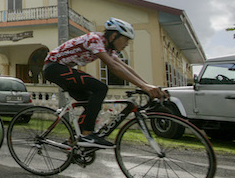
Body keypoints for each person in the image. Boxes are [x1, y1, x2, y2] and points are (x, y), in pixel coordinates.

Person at [43, 17, 165, 149]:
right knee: (100, 88)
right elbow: (113, 66)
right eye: (126, 39)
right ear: (114, 36)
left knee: (92, 102)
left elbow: (124, 67)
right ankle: (87, 134)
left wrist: (147, 85)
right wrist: (143, 86)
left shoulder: (108, 49)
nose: (127, 44)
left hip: (62, 69)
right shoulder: (95, 39)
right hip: (53, 68)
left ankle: (73, 140)